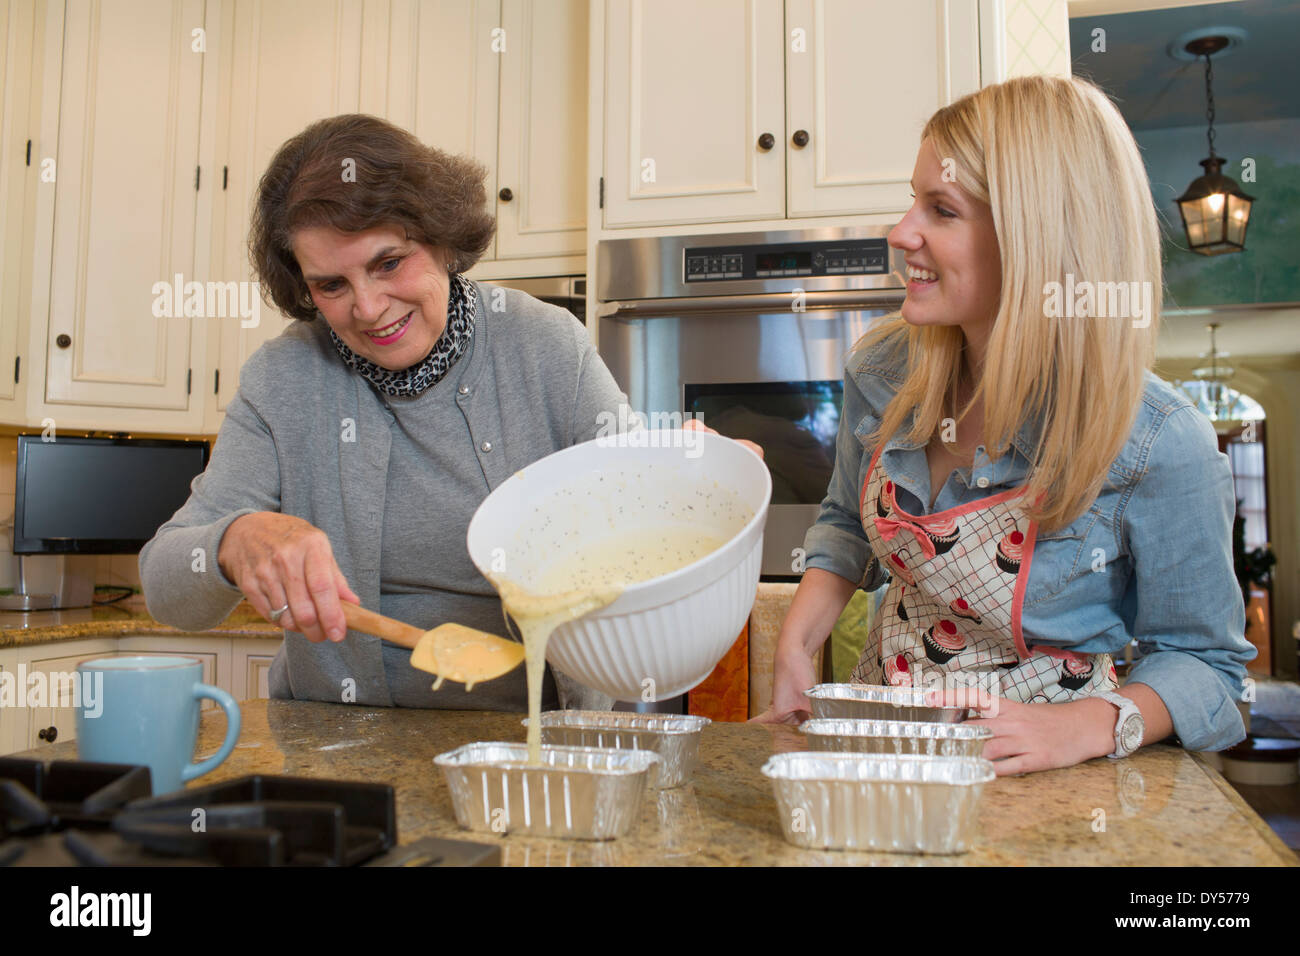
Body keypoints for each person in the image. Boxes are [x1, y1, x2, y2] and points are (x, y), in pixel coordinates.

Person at [754, 75, 1256, 774]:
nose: (902, 233)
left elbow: (1210, 669)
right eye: (912, 202)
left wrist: (1081, 727)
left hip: (1045, 786)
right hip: (877, 759)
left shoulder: (1158, 442)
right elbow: (844, 526)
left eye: (942, 209)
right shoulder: (883, 373)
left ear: (1037, 240)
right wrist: (798, 643)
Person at [140, 114, 640, 711]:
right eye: (331, 286)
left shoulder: (544, 345)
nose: (369, 308)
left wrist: (691, 475)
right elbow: (166, 586)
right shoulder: (283, 380)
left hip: (532, 747)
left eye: (388, 263)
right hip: (339, 750)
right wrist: (233, 540)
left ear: (441, 238)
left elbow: (638, 509)